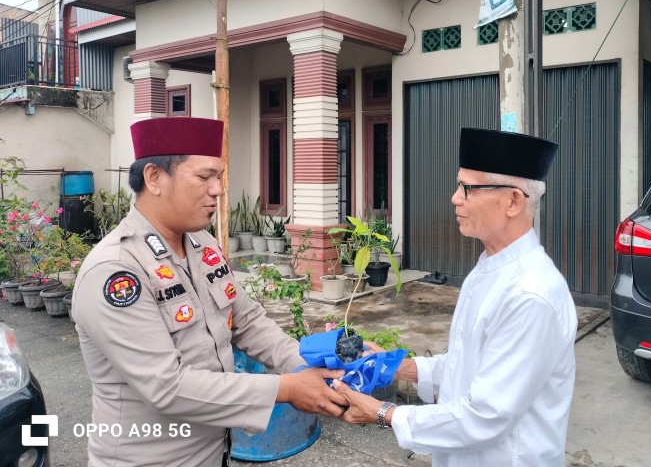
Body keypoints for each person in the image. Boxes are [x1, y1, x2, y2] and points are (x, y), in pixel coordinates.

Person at [72, 117, 347, 467]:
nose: (217, 189)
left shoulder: (201, 244)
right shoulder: (117, 270)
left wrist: (311, 367)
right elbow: (166, 387)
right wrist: (287, 388)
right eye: (204, 177)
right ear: (154, 178)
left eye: (219, 177)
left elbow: (246, 321)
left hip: (213, 450)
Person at [334, 127, 578, 466]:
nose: (455, 197)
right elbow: (467, 365)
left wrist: (384, 413)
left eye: (468, 188)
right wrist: (398, 368)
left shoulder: (531, 295)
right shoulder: (489, 267)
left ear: (512, 201)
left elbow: (486, 416)